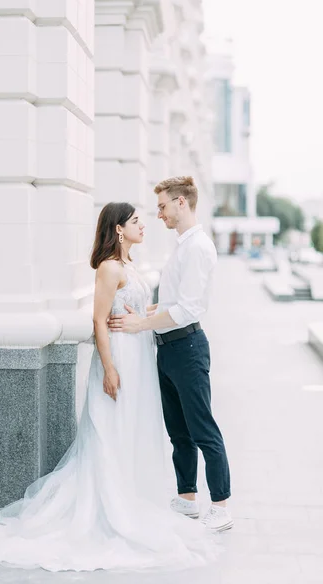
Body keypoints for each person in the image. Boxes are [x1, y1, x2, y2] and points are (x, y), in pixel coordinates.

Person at [0, 202, 218, 572]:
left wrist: (147, 316)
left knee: (133, 428)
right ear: (118, 229)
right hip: (119, 359)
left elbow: (135, 309)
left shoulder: (129, 266)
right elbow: (99, 321)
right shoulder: (109, 268)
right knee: (109, 431)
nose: (143, 225)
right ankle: (108, 507)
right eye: (134, 221)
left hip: (140, 357)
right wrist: (109, 370)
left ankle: (132, 498)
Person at [109, 177, 233, 533]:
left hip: (187, 347)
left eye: (162, 206)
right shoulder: (182, 246)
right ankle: (187, 497)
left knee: (202, 428)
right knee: (178, 431)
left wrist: (140, 325)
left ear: (181, 203)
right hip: (169, 348)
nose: (158, 213)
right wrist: (148, 313)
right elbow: (173, 303)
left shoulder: (197, 248)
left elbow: (189, 309)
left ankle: (221, 505)